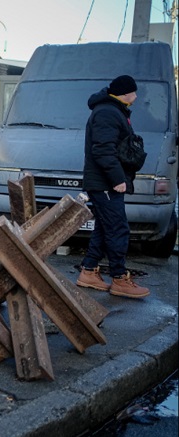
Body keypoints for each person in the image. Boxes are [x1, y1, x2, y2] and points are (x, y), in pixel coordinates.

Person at [75, 75, 149, 298]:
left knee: (105, 227)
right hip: (105, 182)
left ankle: (88, 271)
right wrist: (118, 179)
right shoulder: (108, 111)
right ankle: (119, 278)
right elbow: (103, 149)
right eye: (134, 93)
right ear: (125, 93)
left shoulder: (112, 109)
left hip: (104, 182)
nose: (136, 97)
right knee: (118, 228)